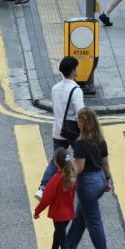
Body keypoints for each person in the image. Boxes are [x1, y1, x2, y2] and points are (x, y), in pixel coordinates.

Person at [35, 56, 84, 200]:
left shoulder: (55, 88)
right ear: (73, 70)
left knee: (54, 161)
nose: (77, 69)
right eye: (76, 67)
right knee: (81, 156)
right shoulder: (76, 90)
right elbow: (80, 114)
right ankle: (75, 185)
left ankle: (42, 189)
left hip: (58, 130)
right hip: (74, 131)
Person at [67, 107, 112, 248]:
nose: (76, 121)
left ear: (83, 122)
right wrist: (107, 180)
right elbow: (105, 163)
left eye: (78, 119)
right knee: (79, 218)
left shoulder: (81, 143)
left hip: (88, 185)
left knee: (94, 223)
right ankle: (68, 245)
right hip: (99, 180)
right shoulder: (100, 140)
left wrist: (66, 175)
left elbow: (79, 168)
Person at [33, 148, 76, 249]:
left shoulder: (55, 180)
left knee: (63, 240)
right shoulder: (71, 177)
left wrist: (37, 212)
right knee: (57, 235)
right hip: (68, 214)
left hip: (58, 215)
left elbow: (46, 199)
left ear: (56, 163)